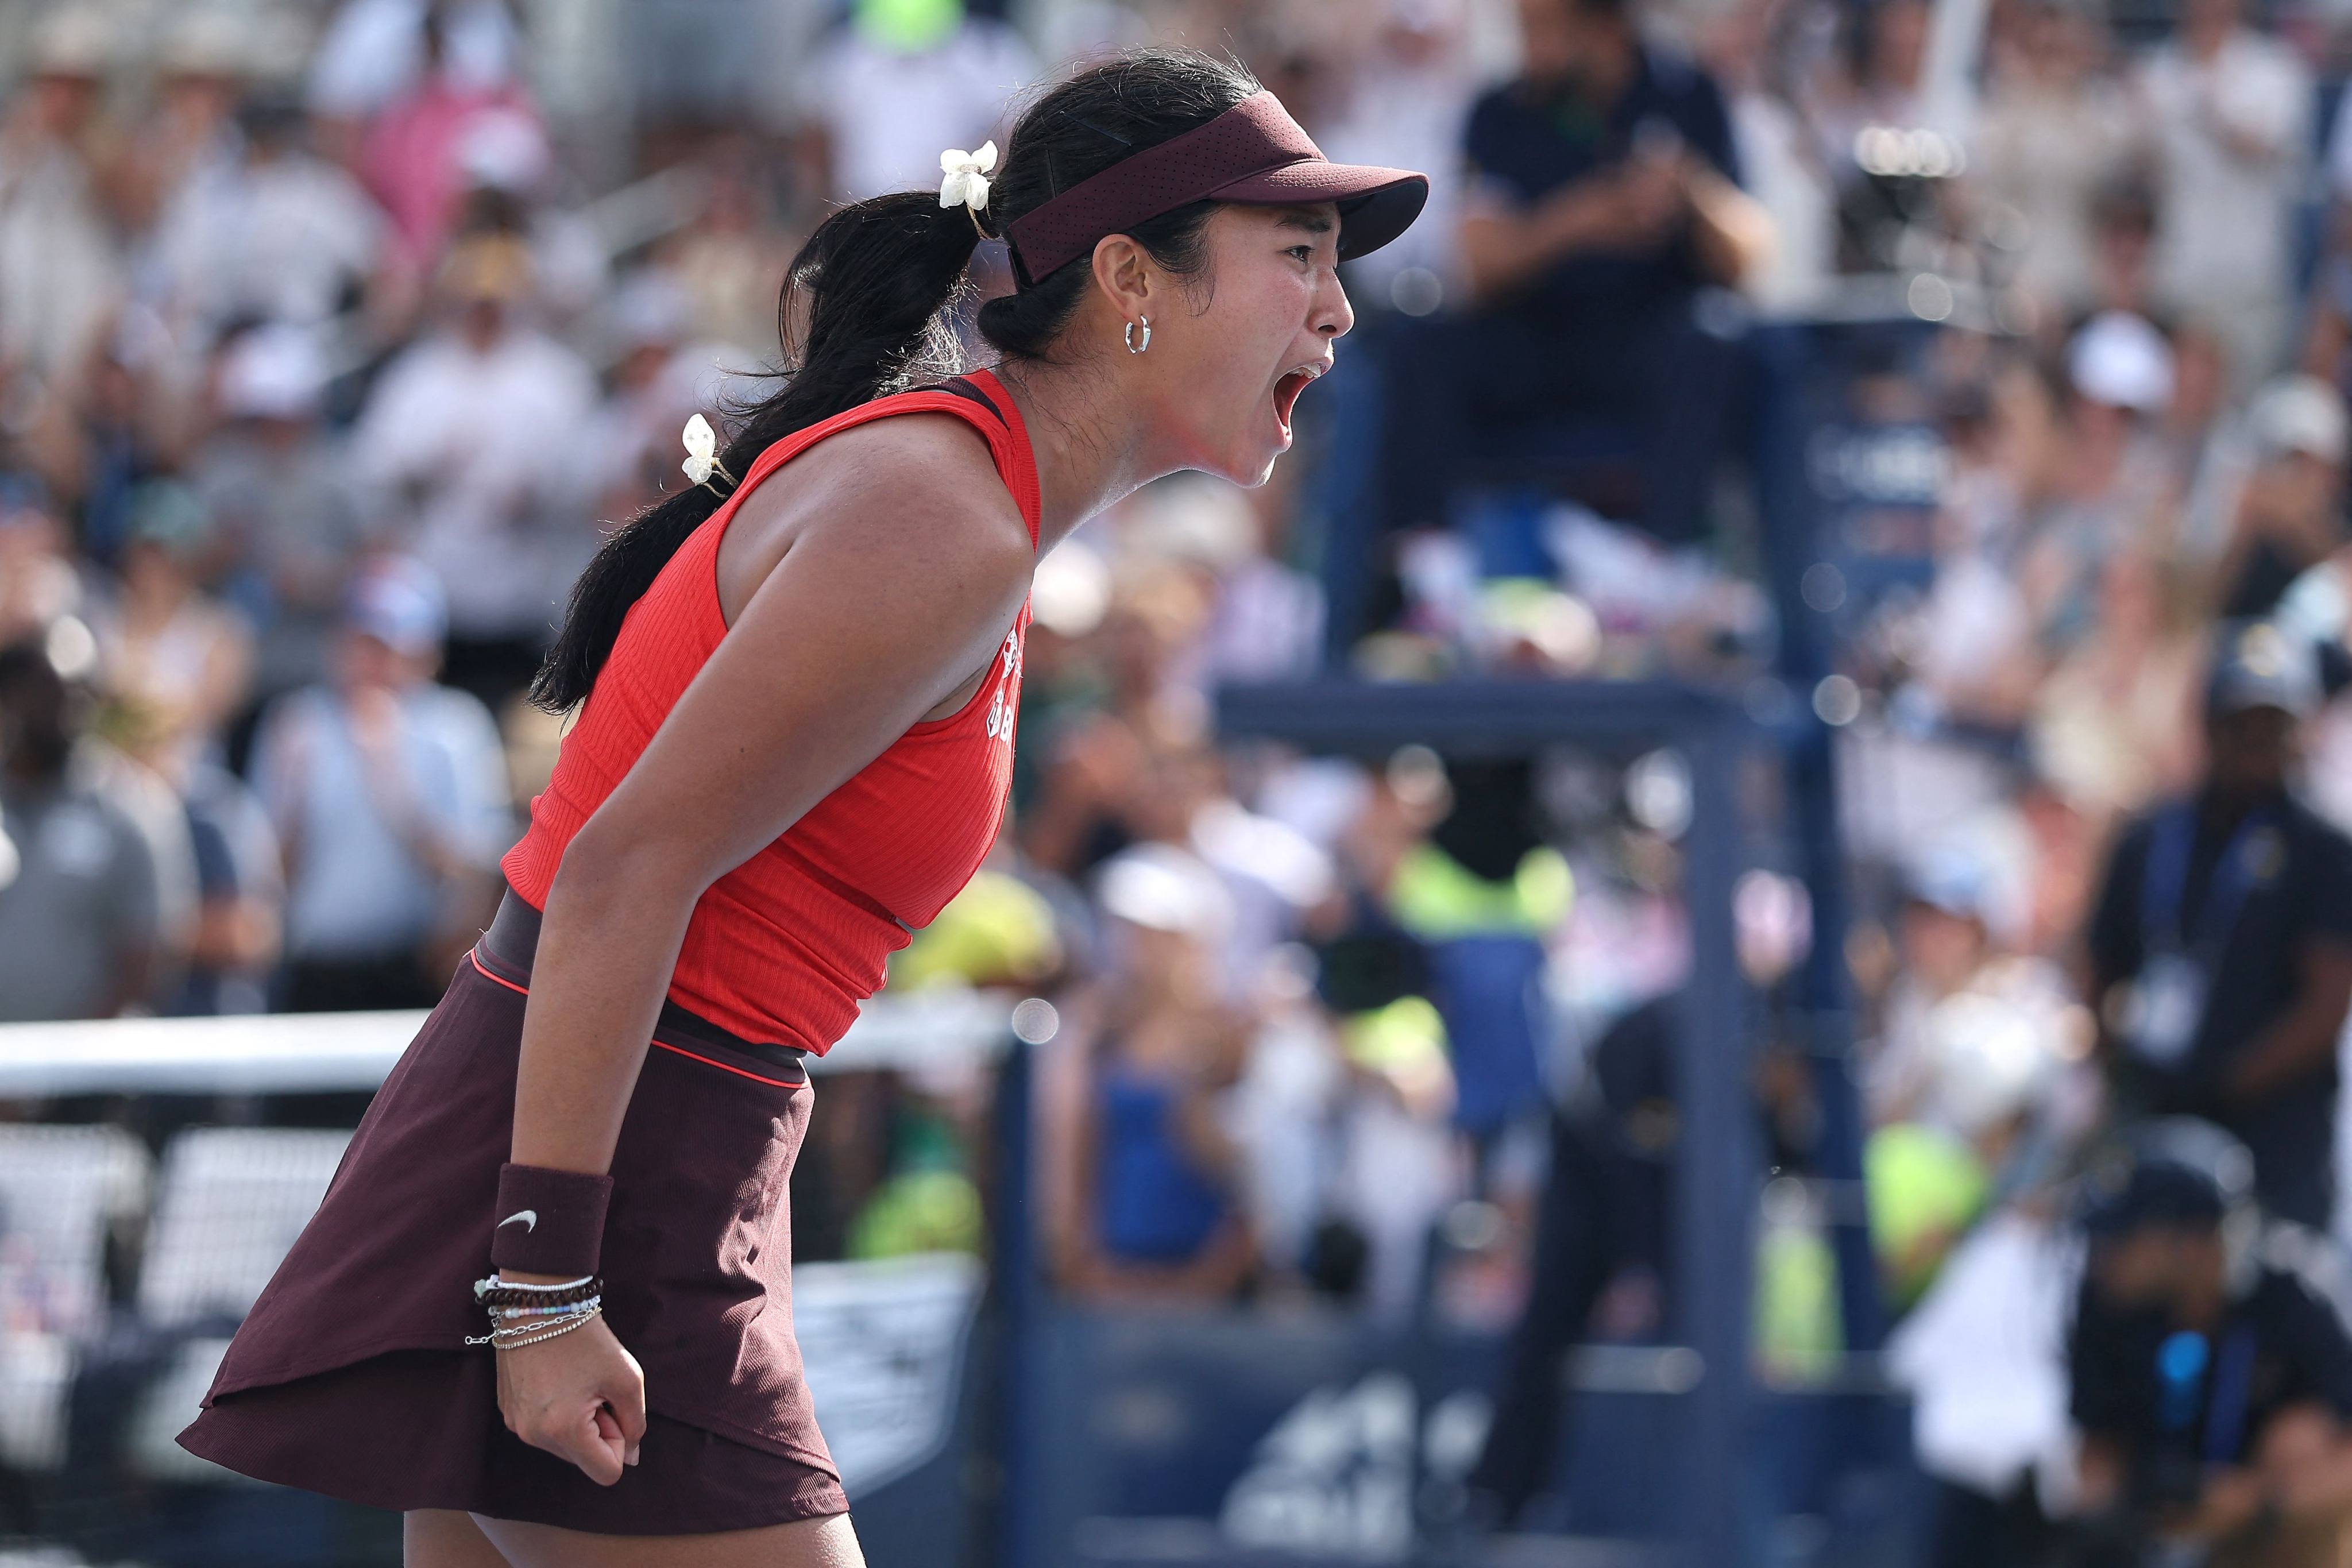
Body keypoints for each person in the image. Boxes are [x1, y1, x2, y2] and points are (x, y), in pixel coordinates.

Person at [177, 48, 1426, 1568]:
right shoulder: (941, 514)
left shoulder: (956, 503)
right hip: (605, 1173)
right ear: (1124, 277)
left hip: (597, 1143)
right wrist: (548, 1286)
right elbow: (625, 868)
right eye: (1295, 253)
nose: (1336, 304)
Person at [1372, 0, 1772, 549]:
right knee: (1417, 342)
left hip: (1646, 347)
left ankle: (1661, 561)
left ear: (1605, 27)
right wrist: (1577, 222)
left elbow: (1749, 261)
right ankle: (1424, 565)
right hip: (1535, 345)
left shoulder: (1688, 94)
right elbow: (1476, 265)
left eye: (1544, 27)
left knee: (1712, 335)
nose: (1529, 44)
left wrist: (1687, 192)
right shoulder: (1502, 109)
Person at [2085, 622, 2352, 1231]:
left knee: (2273, 1302)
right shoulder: (2152, 836)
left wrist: (2223, 1084)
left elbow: (2327, 1002)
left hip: (2276, 1140)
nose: (2257, 742)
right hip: (2156, 1122)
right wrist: (2123, 1078)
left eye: (2273, 724)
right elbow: (2100, 966)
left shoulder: (2324, 848)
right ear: (2209, 725)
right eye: (2241, 723)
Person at [2069, 1134, 2352, 1567]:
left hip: (2261, 1522)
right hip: (2153, 1533)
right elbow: (2094, 1452)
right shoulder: (2104, 1305)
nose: (2104, 1255)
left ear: (2192, 1241)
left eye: (2125, 1237)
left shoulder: (2295, 1291)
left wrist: (2257, 1503)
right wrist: (2124, 1510)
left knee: (2299, 1441)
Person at [249, 559, 511, 1014]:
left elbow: (472, 873)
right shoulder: (298, 723)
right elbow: (268, 876)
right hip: (314, 970)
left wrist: (392, 782)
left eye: (390, 644)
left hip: (414, 970)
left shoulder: (456, 727)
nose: (371, 660)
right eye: (361, 641)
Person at [0, 640, 161, 1023]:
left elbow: (146, 951)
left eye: (79, 693)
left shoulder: (125, 807)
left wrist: (74, 1054)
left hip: (82, 1068)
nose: (65, 709)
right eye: (45, 693)